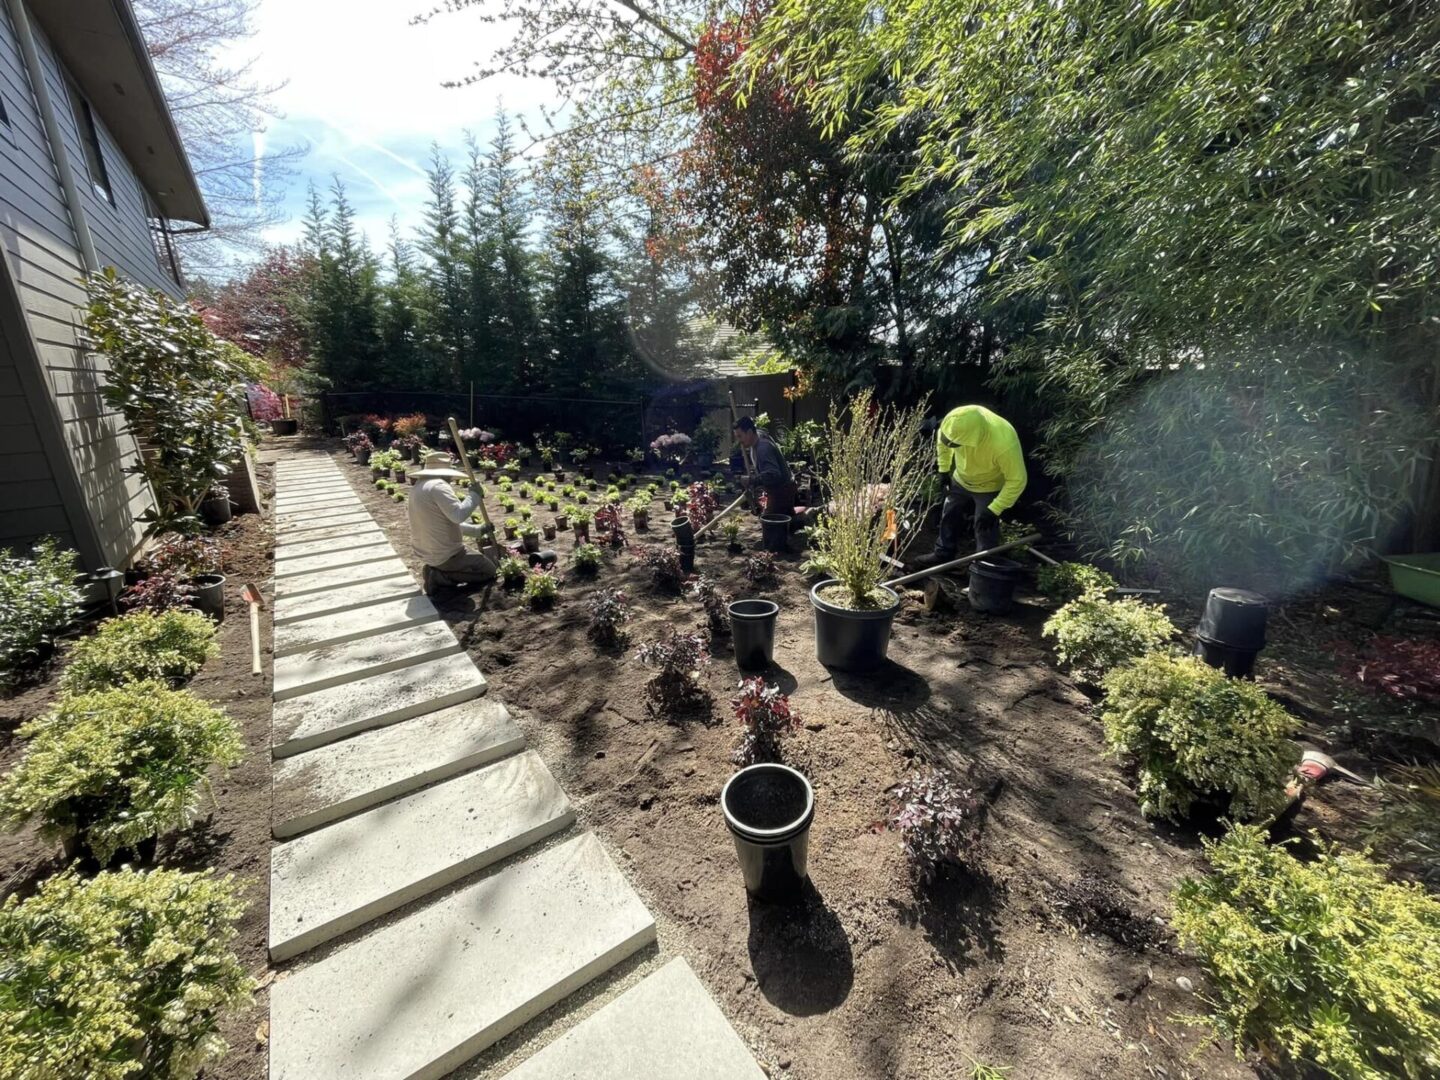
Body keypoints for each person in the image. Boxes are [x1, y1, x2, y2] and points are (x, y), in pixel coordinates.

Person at [909, 404, 1027, 569]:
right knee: (949, 514)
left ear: (973, 439)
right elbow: (943, 443)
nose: (949, 444)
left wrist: (995, 508)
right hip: (961, 478)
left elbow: (1017, 480)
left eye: (955, 444)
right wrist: (943, 471)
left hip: (989, 485)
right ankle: (943, 553)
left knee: (984, 527)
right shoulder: (953, 421)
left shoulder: (1004, 442)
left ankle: (984, 567)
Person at [407, 455, 497, 595]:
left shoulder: (419, 486)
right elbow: (458, 515)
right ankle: (441, 577)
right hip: (445, 554)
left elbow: (442, 523)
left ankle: (437, 570)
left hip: (427, 552)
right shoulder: (439, 486)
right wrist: (474, 495)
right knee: (489, 571)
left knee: (474, 563)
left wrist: (477, 531)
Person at [732, 415, 797, 517]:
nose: (739, 441)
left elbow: (773, 474)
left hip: (782, 492)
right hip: (777, 489)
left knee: (771, 523)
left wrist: (751, 480)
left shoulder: (763, 448)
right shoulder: (757, 437)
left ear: (749, 432)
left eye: (740, 436)